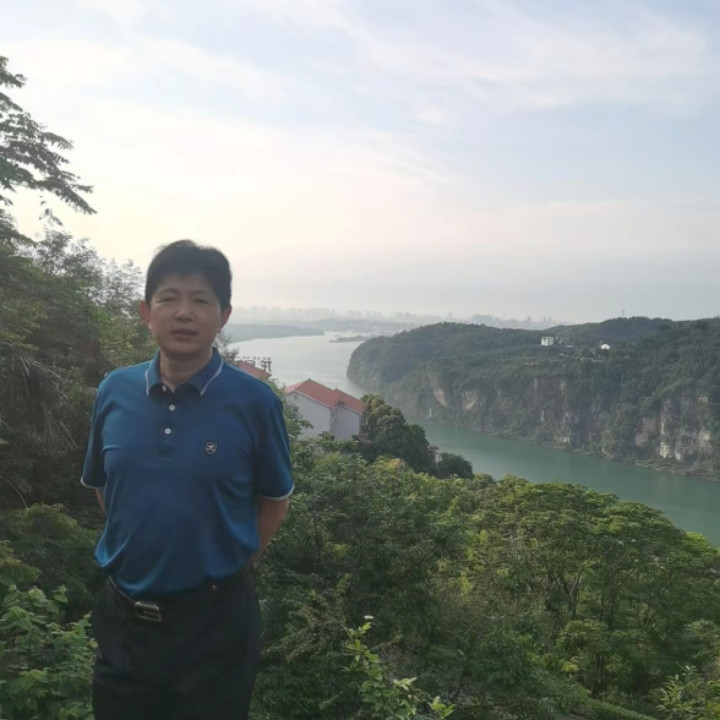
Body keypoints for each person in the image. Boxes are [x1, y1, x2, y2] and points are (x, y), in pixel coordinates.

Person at [81, 240, 293, 720]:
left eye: (200, 300)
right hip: (123, 622)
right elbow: (103, 488)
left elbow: (274, 503)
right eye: (169, 298)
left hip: (215, 628)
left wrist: (227, 567)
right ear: (146, 312)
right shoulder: (114, 390)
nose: (183, 313)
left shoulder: (254, 402)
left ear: (223, 315)